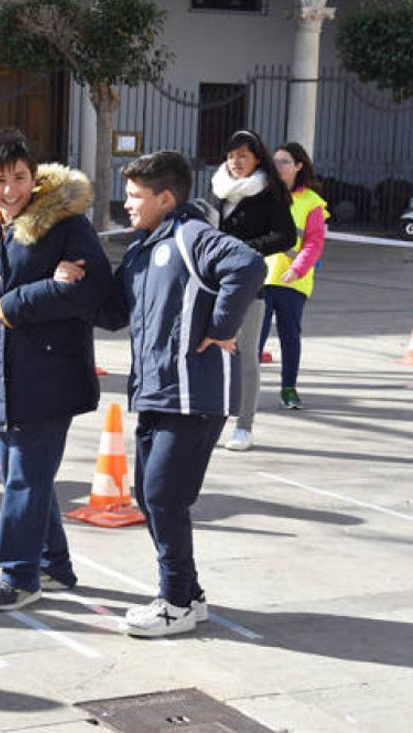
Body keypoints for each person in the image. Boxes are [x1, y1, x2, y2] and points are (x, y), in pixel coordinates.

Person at [55, 151, 265, 637]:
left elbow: (248, 265)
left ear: (165, 199)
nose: (126, 204)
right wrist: (72, 283)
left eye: (135, 196)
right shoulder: (141, 251)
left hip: (193, 395)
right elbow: (111, 315)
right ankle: (187, 595)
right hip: (154, 393)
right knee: (153, 501)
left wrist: (220, 325)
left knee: (163, 497)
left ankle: (174, 601)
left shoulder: (190, 236)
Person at [0, 127, 111, 611]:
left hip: (50, 377)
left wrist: (23, 300)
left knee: (24, 479)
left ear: (35, 178)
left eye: (20, 177)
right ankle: (54, 566)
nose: (10, 189)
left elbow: (97, 292)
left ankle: (18, 576)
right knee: (22, 479)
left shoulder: (66, 226)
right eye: (0, 179)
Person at [210, 129, 295, 451]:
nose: (236, 162)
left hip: (248, 283)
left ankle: (244, 426)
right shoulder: (218, 187)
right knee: (211, 352)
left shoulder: (269, 192)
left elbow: (285, 236)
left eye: (243, 156)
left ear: (257, 158)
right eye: (231, 156)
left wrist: (246, 249)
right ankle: (213, 417)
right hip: (213, 281)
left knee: (246, 355)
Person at [261, 142, 328, 410]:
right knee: (255, 337)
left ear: (298, 166)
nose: (277, 166)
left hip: (293, 281)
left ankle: (288, 388)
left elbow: (313, 243)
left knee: (290, 335)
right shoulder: (262, 196)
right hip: (261, 278)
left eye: (284, 162)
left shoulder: (311, 202)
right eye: (274, 161)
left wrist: (297, 268)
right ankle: (244, 389)